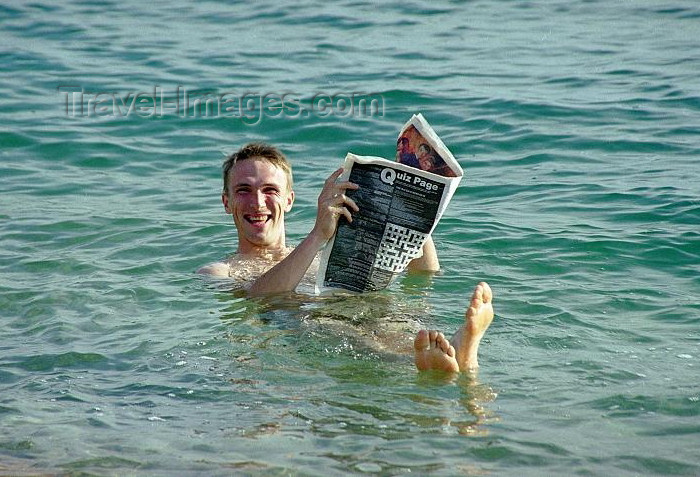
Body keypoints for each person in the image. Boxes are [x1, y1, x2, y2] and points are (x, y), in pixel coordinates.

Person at [198, 143, 494, 373]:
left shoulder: (323, 252)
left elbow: (423, 276)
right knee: (331, 326)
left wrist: (412, 216)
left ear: (289, 200)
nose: (258, 202)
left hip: (368, 308)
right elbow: (257, 297)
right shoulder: (221, 271)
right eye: (244, 190)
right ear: (227, 201)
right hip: (310, 321)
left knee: (393, 316)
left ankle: (455, 353)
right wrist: (317, 235)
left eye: (270, 190)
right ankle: (447, 357)